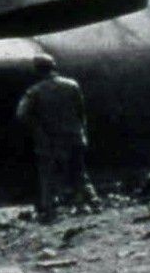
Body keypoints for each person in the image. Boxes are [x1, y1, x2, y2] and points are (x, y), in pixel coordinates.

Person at [14, 56, 97, 221]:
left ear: (37, 70)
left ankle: (50, 210)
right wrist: (82, 133)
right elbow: (81, 112)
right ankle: (91, 202)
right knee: (78, 172)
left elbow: (21, 114)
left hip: (50, 140)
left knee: (48, 175)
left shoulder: (34, 91)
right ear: (54, 66)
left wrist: (37, 128)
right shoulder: (72, 85)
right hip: (74, 136)